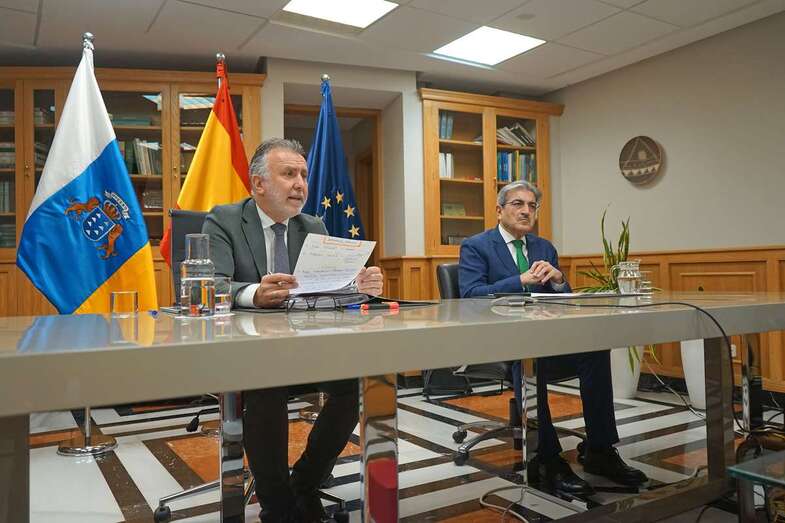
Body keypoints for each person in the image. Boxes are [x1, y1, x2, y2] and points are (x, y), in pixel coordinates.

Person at [204, 138, 383, 522]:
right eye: (288, 174)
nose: (300, 183)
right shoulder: (224, 219)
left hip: (304, 346)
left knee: (354, 387)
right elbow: (210, 283)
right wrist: (253, 292)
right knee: (268, 388)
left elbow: (325, 286)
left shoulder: (312, 223)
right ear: (258, 185)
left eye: (303, 174)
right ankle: (278, 505)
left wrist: (359, 284)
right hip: (247, 350)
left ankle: (305, 479)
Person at [458, 180, 647, 495]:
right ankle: (547, 458)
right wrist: (519, 280)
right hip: (502, 343)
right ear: (499, 209)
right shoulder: (477, 246)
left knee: (595, 350)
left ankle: (600, 449)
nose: (526, 211)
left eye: (532, 206)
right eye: (518, 204)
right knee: (525, 359)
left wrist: (559, 280)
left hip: (547, 338)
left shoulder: (544, 248)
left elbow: (564, 300)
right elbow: (469, 297)